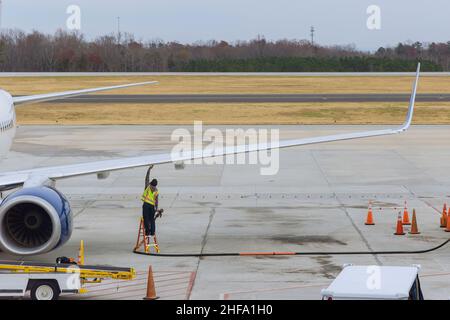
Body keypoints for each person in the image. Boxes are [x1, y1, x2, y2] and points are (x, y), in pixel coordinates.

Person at [141, 165, 160, 243]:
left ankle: (148, 233)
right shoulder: (156, 191)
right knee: (152, 219)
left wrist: (149, 169)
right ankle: (152, 233)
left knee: (146, 219)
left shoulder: (148, 187)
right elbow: (156, 201)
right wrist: (156, 208)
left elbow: (146, 178)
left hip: (146, 205)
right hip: (152, 207)